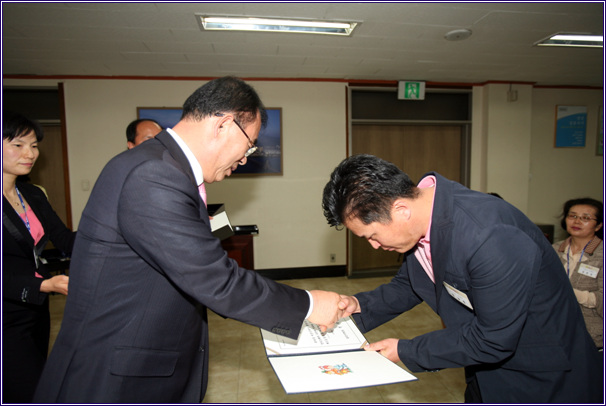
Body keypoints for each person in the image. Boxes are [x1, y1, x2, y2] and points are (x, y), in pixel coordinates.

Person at [33, 76, 345, 403]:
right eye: (249, 145)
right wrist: (309, 305)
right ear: (224, 125)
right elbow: (216, 280)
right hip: (116, 379)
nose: (245, 158)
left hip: (135, 363)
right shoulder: (155, 175)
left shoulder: (160, 165)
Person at [323, 154, 602, 403]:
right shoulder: (424, 220)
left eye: (372, 236)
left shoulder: (490, 235)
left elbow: (493, 339)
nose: (374, 246)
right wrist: (357, 307)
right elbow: (410, 284)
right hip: (483, 367)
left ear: (400, 210)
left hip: (541, 377)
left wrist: (406, 350)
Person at [2, 110, 76, 403]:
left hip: (35, 308)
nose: (30, 153)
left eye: (33, 145)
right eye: (18, 145)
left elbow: (65, 240)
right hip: (6, 311)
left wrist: (117, 233)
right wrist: (43, 284)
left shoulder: (32, 194)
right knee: (29, 389)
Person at [552, 198, 603, 350]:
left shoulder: (601, 254)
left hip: (592, 336)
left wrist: (570, 293)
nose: (577, 221)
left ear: (598, 225)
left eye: (585, 218)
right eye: (572, 216)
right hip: (555, 331)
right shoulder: (553, 250)